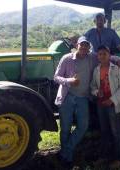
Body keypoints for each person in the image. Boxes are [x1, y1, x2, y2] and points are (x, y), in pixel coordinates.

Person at [54, 36, 93, 168]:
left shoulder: (91, 58)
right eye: (82, 45)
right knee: (65, 128)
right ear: (77, 45)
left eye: (86, 45)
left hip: (82, 98)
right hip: (68, 97)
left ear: (89, 48)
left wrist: (117, 58)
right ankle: (67, 158)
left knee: (83, 126)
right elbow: (56, 77)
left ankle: (65, 151)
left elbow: (105, 57)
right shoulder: (67, 58)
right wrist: (69, 81)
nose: (84, 47)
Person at [90, 45, 120, 169]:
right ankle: (104, 157)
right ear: (98, 56)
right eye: (100, 54)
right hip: (101, 104)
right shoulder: (96, 70)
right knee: (104, 131)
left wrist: (112, 100)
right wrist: (96, 92)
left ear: (109, 55)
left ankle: (119, 158)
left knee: (116, 132)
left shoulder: (116, 69)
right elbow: (93, 87)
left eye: (104, 54)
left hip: (112, 104)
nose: (102, 56)